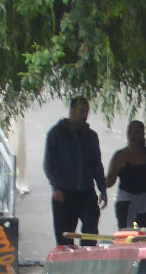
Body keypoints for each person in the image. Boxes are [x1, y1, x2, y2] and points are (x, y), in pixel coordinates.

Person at [44, 97, 106, 248]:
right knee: (65, 235)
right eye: (81, 111)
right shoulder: (56, 133)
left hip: (86, 190)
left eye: (87, 111)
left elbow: (96, 164)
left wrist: (102, 189)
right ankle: (66, 259)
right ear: (72, 111)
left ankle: (87, 256)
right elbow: (49, 164)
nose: (84, 115)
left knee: (91, 230)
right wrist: (56, 187)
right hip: (64, 192)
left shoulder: (91, 136)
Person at [105, 120, 146, 231]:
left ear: (142, 134)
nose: (132, 136)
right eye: (130, 132)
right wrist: (116, 169)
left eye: (136, 132)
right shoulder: (120, 155)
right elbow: (108, 183)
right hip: (126, 204)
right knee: (126, 234)